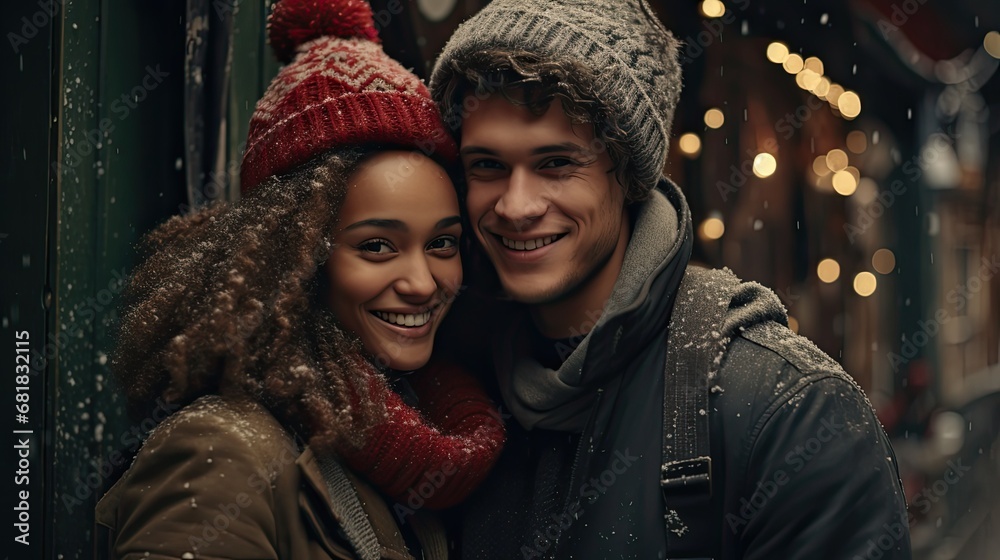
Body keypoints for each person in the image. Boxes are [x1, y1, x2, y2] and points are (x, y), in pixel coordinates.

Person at [428, 0, 912, 558]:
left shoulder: (789, 414)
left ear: (628, 173)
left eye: (556, 163)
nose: (515, 206)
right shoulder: (454, 387)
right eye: (487, 165)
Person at [95, 1, 505, 558]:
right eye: (376, 246)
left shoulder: (417, 434)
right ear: (296, 258)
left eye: (441, 243)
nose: (423, 282)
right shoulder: (222, 452)